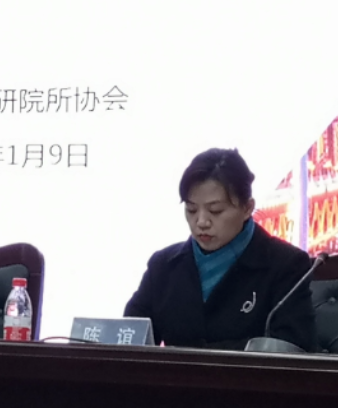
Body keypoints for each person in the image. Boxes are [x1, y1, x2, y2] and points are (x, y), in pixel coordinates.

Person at [124, 148, 317, 351]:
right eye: (191, 210)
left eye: (215, 211)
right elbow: (129, 338)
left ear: (247, 208)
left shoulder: (286, 265)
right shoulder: (163, 266)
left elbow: (295, 348)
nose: (201, 222)